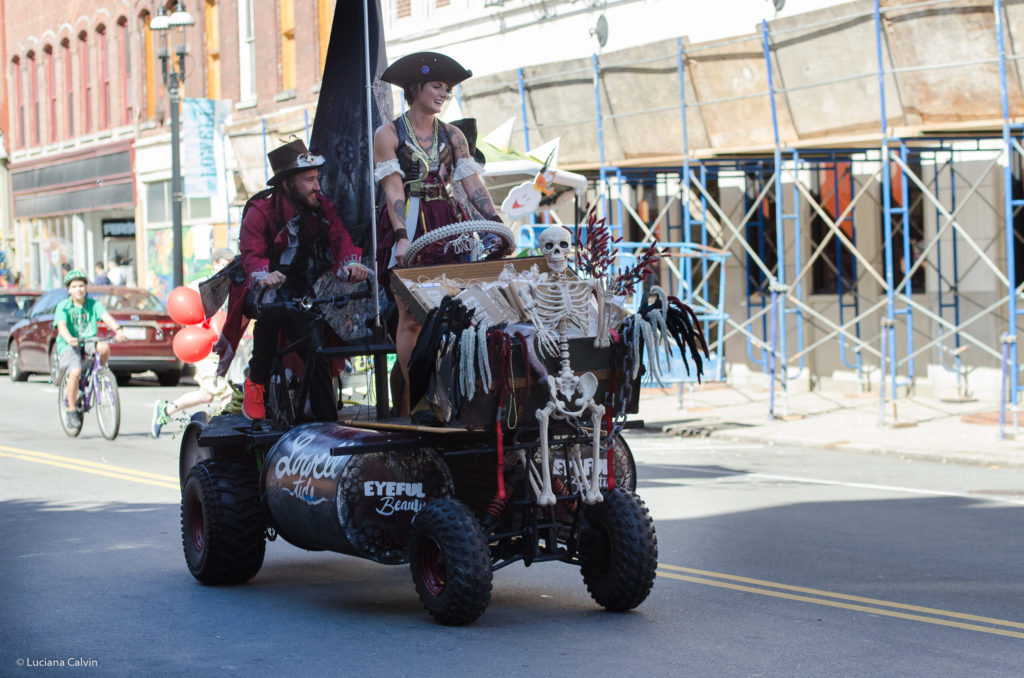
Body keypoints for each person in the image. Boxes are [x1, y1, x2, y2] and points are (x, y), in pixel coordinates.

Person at [373, 51, 509, 415]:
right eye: (437, 86)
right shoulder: (388, 134)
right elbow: (393, 191)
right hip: (411, 221)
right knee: (410, 315)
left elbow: (472, 183)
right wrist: (402, 236)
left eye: (447, 89)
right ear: (416, 87)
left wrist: (496, 223)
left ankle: (460, 393)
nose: (444, 93)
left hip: (450, 222)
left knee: (462, 310)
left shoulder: (453, 135)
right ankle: (419, 398)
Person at [226, 139, 369, 422]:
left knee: (316, 350)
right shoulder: (260, 211)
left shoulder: (321, 206)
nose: (317, 186)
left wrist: (351, 262)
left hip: (301, 287)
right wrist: (264, 275)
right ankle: (256, 382)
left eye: (317, 178)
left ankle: (327, 422)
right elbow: (250, 254)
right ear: (288, 184)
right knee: (273, 313)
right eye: (309, 180)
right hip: (259, 285)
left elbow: (340, 238)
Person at [150, 248, 237, 437]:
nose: (227, 269)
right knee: (224, 391)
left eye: (230, 265)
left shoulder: (233, 286)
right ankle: (226, 434)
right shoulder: (200, 285)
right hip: (204, 344)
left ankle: (166, 409)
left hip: (225, 344)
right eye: (223, 264)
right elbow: (186, 311)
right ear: (214, 264)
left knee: (206, 394)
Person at [54, 269, 127, 427]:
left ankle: (100, 372)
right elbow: (62, 326)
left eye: (81, 286)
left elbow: (106, 317)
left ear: (86, 287)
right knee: (75, 371)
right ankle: (72, 409)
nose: (78, 289)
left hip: (88, 340)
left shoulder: (93, 304)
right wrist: (68, 338)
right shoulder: (63, 306)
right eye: (74, 286)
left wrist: (118, 330)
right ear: (69, 290)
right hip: (69, 343)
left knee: (104, 347)